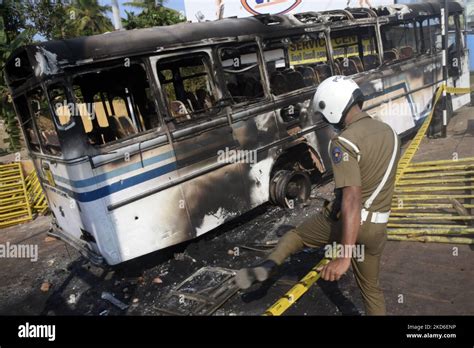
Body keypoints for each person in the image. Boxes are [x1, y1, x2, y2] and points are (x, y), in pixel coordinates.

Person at [235, 76, 400, 315]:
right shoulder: (390, 133)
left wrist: (344, 257)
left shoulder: (343, 142)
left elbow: (352, 199)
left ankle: (269, 265)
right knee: (372, 290)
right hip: (378, 228)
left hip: (350, 222)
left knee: (296, 236)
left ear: (333, 108)